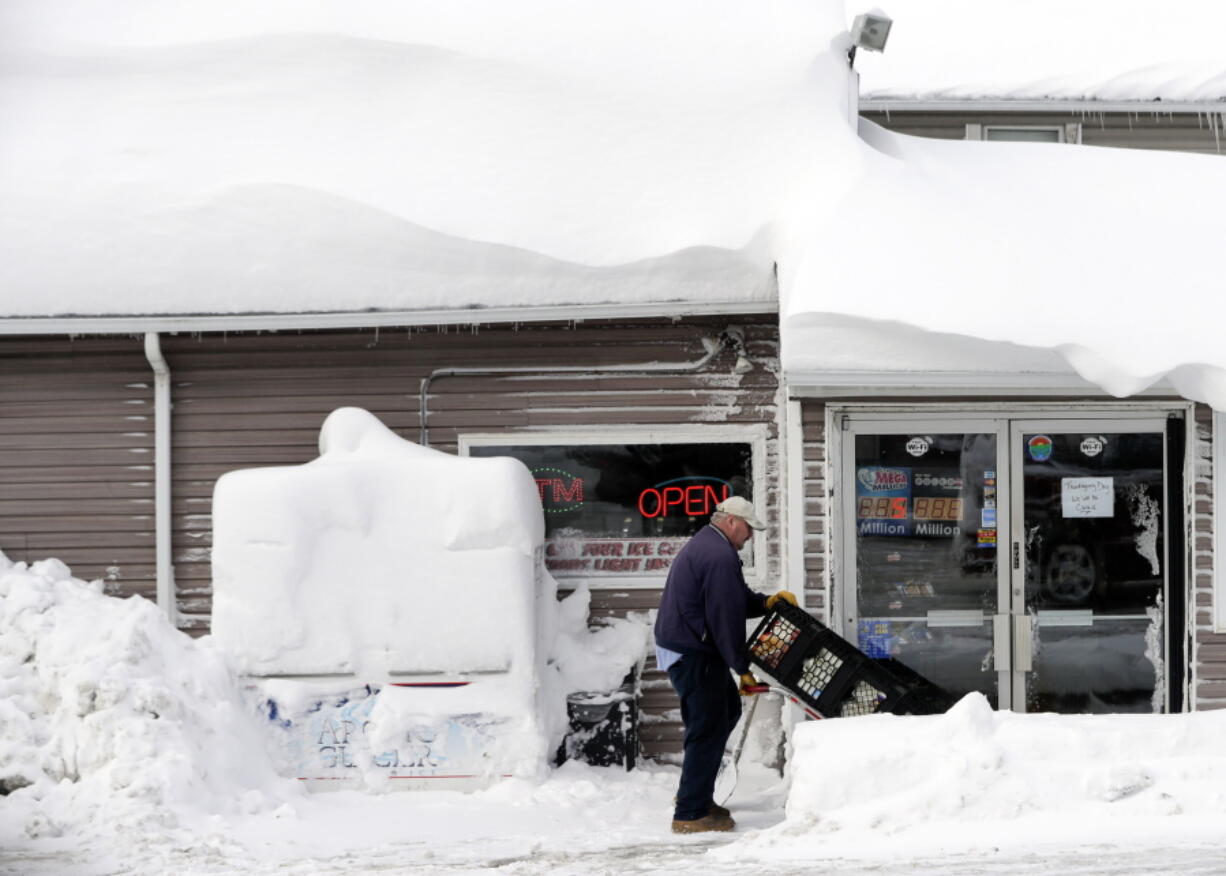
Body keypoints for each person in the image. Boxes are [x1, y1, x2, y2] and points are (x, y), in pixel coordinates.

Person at [653, 496, 797, 833]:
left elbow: (732, 598)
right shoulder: (718, 555)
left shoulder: (710, 546)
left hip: (690, 646)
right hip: (693, 651)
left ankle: (697, 794)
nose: (750, 536)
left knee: (725, 712)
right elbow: (724, 616)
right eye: (748, 528)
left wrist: (767, 602)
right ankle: (690, 813)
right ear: (731, 521)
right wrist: (741, 668)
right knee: (708, 725)